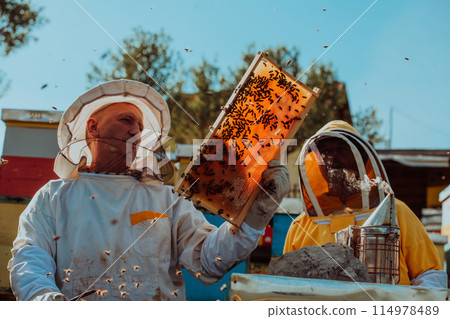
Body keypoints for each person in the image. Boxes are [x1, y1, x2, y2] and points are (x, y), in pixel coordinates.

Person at [8, 79, 289, 300]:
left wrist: (256, 214)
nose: (137, 131)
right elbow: (30, 258)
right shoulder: (54, 197)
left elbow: (210, 262)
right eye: (126, 120)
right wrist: (43, 299)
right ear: (92, 127)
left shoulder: (166, 199)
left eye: (141, 125)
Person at [284, 120, 447, 288]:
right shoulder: (301, 226)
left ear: (361, 156)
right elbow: (284, 286)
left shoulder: (396, 212)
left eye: (341, 149)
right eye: (325, 151)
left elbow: (430, 276)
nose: (332, 158)